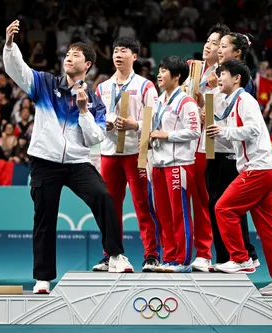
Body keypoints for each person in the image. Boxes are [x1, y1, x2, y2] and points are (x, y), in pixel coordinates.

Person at [4, 20, 133, 294]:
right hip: (45, 161)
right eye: (66, 55)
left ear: (87, 65)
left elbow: (94, 138)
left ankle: (115, 255)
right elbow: (19, 71)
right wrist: (10, 46)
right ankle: (43, 278)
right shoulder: (45, 84)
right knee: (44, 218)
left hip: (77, 163)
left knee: (103, 196)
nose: (68, 58)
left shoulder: (95, 101)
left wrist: (85, 110)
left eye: (75, 55)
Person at [206, 60, 272, 296]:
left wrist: (224, 130)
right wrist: (216, 131)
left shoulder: (245, 99)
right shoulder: (231, 104)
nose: (219, 78)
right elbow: (232, 139)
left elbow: (254, 129)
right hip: (265, 169)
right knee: (267, 228)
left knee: (223, 209)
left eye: (222, 74)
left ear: (236, 78)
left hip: (258, 169)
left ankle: (241, 258)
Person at [92, 36, 160, 273]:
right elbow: (95, 118)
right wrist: (106, 124)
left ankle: (151, 255)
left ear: (135, 56)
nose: (118, 55)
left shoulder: (145, 86)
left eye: (124, 51)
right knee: (110, 207)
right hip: (109, 152)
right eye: (115, 51)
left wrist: (135, 125)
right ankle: (111, 254)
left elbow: (155, 120)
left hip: (136, 152)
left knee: (143, 204)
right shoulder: (102, 87)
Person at [204, 32, 260, 272]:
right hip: (214, 149)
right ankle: (227, 256)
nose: (217, 49)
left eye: (222, 46)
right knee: (217, 205)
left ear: (236, 52)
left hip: (231, 152)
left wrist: (218, 122)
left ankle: (243, 254)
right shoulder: (216, 74)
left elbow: (238, 119)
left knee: (228, 207)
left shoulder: (241, 80)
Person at [149, 56, 200, 273]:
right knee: (162, 214)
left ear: (177, 76)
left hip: (179, 164)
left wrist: (166, 135)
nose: (159, 74)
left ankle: (183, 260)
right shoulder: (159, 101)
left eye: (164, 71)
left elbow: (195, 131)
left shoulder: (186, 102)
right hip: (159, 165)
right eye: (159, 70)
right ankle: (168, 257)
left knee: (179, 213)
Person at [186, 23, 230, 272]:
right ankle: (193, 253)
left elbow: (226, 112)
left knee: (207, 202)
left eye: (215, 43)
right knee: (194, 202)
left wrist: (212, 93)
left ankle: (208, 253)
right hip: (190, 145)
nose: (209, 46)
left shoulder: (225, 74)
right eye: (208, 41)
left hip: (211, 147)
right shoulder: (197, 72)